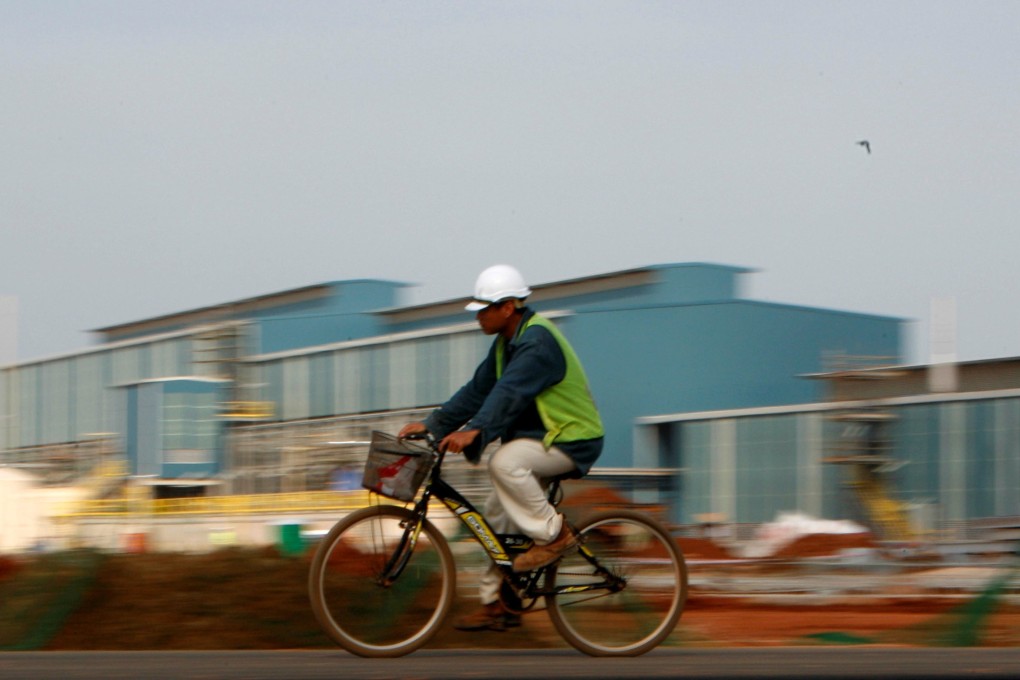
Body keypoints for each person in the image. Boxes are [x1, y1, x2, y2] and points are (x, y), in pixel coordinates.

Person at [399, 264, 604, 632]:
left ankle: (556, 535)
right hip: (542, 440)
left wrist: (475, 431)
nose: (478, 316)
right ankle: (499, 603)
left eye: (485, 308)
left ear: (508, 307)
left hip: (572, 439)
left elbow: (507, 395)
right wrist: (434, 425)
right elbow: (477, 391)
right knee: (497, 516)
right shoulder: (506, 346)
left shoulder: (536, 344)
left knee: (504, 463)